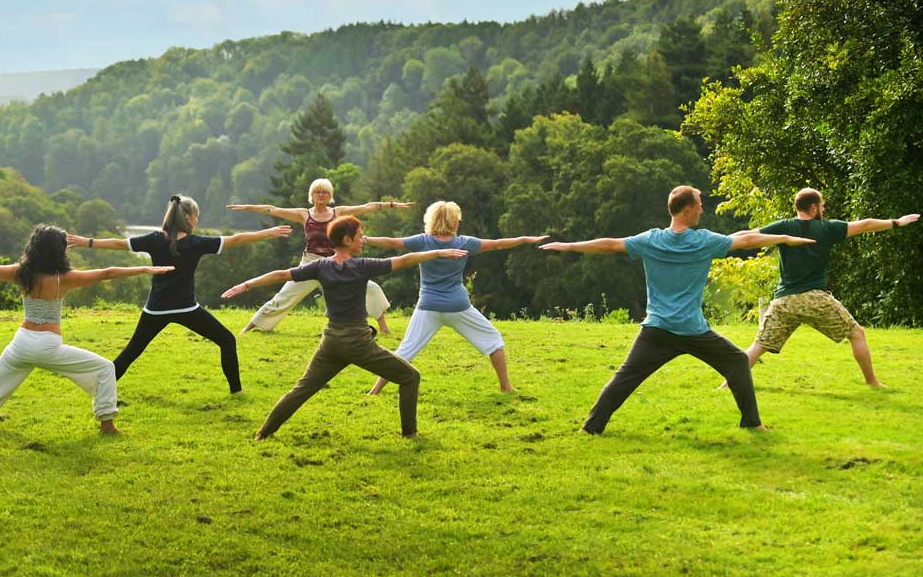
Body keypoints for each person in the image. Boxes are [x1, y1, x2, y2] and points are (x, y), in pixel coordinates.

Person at [539, 185, 815, 434]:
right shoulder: (704, 241)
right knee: (737, 361)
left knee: (625, 378)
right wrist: (785, 239)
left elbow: (610, 244)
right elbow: (746, 241)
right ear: (687, 210)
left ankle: (590, 428)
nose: (702, 208)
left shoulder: (651, 240)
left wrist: (570, 246)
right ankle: (752, 423)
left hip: (658, 329)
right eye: (699, 204)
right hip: (691, 330)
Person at [222, 214, 467, 440]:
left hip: (331, 341)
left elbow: (282, 275)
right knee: (410, 376)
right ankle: (409, 434)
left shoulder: (320, 266)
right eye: (360, 236)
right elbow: (404, 260)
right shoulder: (361, 266)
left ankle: (263, 433)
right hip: (357, 342)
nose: (363, 240)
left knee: (303, 389)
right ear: (347, 240)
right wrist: (437, 253)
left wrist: (246, 285)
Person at [0, 226, 171, 434]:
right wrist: (146, 269)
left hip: (21, 344)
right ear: (59, 252)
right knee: (105, 368)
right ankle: (107, 425)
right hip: (47, 346)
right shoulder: (65, 278)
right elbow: (107, 273)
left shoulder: (22, 274)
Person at [68, 195, 290, 394]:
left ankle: (99, 386)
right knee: (227, 340)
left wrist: (87, 242)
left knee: (132, 351)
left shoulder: (154, 239)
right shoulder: (195, 243)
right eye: (196, 216)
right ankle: (237, 392)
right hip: (186, 308)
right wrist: (267, 233)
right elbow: (236, 240)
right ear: (188, 217)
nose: (197, 221)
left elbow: (118, 243)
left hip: (155, 309)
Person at [728, 188, 919, 389]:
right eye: (822, 205)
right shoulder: (827, 228)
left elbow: (747, 236)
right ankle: (873, 383)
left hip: (785, 301)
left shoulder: (783, 226)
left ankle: (727, 384)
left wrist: (716, 241)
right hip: (815, 299)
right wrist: (897, 222)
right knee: (857, 334)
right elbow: (865, 225)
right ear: (813, 207)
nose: (824, 209)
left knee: (759, 346)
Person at [363, 200, 548, 394]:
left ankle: (374, 391)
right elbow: (497, 245)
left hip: (428, 306)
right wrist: (526, 239)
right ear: (454, 222)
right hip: (458, 306)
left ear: (432, 220)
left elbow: (393, 243)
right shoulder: (464, 242)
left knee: (405, 352)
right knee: (494, 341)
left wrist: (365, 239)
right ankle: (506, 387)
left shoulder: (423, 241)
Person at [227, 178, 413, 335]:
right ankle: (249, 328)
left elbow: (366, 207)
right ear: (312, 195)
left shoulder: (337, 212)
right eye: (317, 192)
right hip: (311, 264)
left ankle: (384, 328)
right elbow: (272, 209)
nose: (321, 195)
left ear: (329, 195)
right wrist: (246, 207)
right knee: (284, 296)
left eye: (324, 192)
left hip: (335, 263)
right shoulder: (304, 214)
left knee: (369, 288)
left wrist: (391, 205)